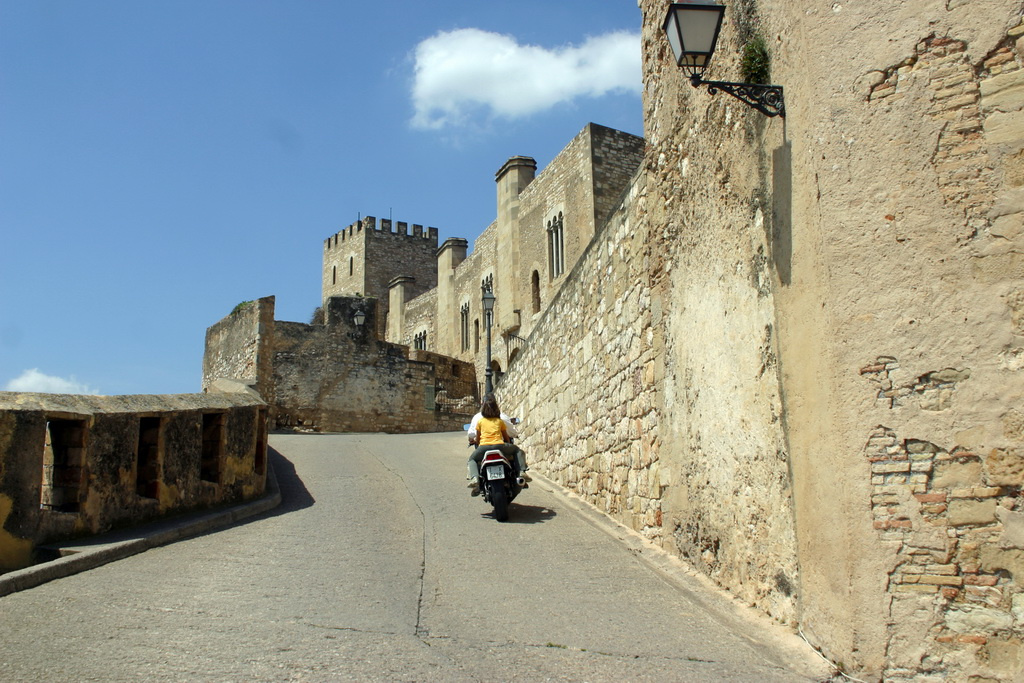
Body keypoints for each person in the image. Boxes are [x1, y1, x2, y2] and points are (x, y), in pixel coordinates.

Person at [466, 394, 529, 496]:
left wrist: (478, 441)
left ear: (482, 406)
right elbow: (507, 437)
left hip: (483, 448)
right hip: (500, 446)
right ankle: (522, 472)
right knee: (518, 451)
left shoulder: (479, 420)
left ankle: (475, 478)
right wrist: (507, 443)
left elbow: (476, 438)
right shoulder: (500, 420)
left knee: (472, 459)